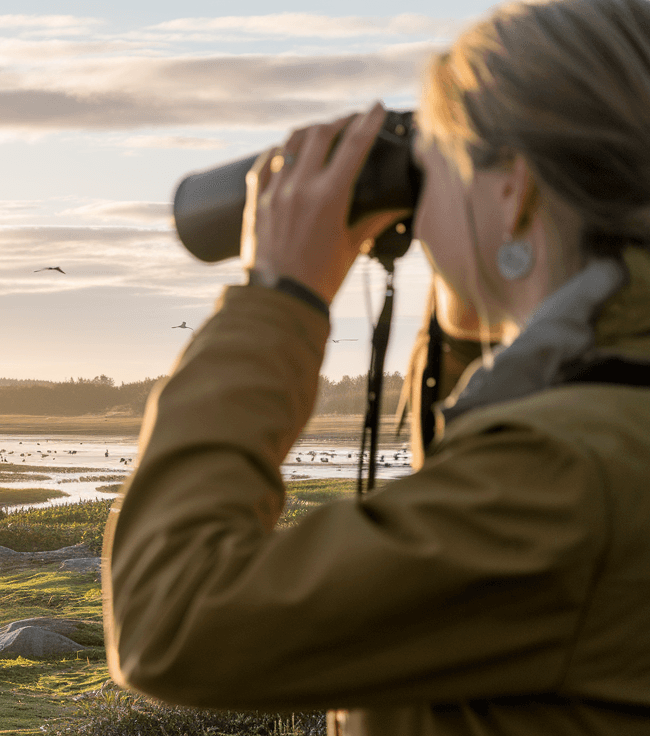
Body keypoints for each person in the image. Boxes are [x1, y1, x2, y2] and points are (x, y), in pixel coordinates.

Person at [103, 0, 650, 734]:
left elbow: (171, 618)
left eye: (437, 171)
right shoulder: (605, 416)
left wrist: (279, 296)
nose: (419, 213)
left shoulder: (567, 472)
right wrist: (468, 300)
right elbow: (461, 520)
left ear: (514, 190)